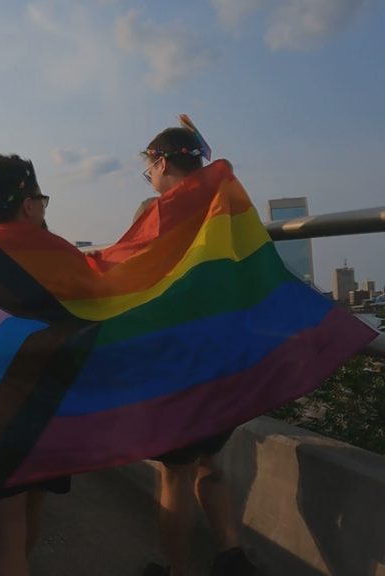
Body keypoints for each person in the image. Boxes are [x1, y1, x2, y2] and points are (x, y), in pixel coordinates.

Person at [137, 120, 257, 576]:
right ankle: (231, 555)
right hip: (224, 359)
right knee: (210, 460)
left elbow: (136, 283)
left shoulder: (155, 212)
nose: (150, 175)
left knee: (175, 474)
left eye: (149, 166)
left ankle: (178, 570)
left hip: (177, 363)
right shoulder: (224, 204)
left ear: (163, 161)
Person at [0, 154, 67, 576]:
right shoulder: (60, 255)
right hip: (49, 411)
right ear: (28, 204)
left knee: (3, 545)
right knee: (31, 512)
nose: (44, 206)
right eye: (41, 198)